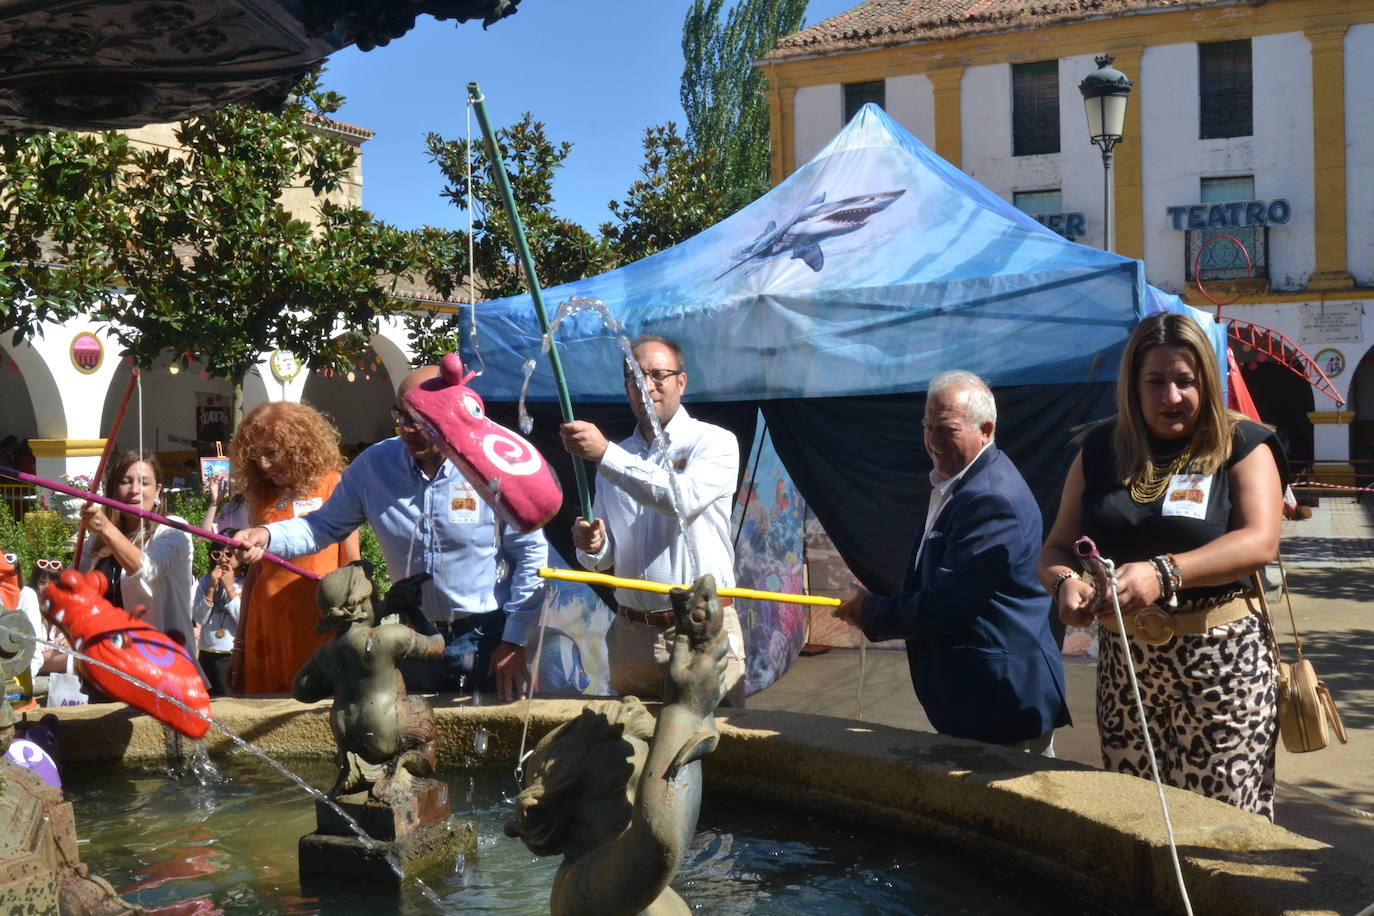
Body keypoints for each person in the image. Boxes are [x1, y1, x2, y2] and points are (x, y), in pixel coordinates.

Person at [1038, 312, 1285, 819]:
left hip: (1222, 665)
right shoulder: (1101, 450)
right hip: (1128, 669)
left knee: (1219, 826)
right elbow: (1056, 548)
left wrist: (1164, 572)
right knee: (1135, 818)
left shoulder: (1242, 445)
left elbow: (1261, 541)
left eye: (1185, 381)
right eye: (1155, 381)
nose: (1170, 396)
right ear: (1132, 385)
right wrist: (1064, 583)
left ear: (1206, 384)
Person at [235, 366, 546, 702]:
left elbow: (530, 555)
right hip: (409, 636)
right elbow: (322, 526)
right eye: (402, 415)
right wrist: (266, 536)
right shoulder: (373, 468)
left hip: (486, 636)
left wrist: (514, 641)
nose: (409, 428)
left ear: (453, 413)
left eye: (422, 418)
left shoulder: (493, 466)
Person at [835, 371, 1071, 753]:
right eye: (927, 426)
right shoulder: (964, 483)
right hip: (981, 699)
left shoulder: (991, 499)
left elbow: (948, 604)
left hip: (1001, 702)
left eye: (946, 429)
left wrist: (872, 612)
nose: (932, 440)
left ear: (986, 429)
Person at [560, 334, 745, 700]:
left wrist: (606, 455)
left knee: (714, 750)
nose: (646, 386)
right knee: (632, 752)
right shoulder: (615, 457)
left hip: (700, 634)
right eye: (634, 376)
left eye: (658, 375)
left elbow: (683, 498)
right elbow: (603, 557)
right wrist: (592, 544)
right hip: (633, 638)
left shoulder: (714, 442)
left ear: (681, 381)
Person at [227, 402, 359, 695]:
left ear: (299, 444)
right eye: (256, 456)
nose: (263, 464)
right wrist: (239, 646)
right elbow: (254, 575)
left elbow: (353, 568)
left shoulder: (334, 484)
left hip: (319, 628)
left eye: (271, 453)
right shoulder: (261, 495)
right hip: (266, 629)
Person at [79, 450, 197, 655]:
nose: (134, 490)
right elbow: (80, 588)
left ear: (158, 489)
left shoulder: (174, 529)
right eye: (125, 482)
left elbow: (147, 569)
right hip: (107, 658)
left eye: (144, 483)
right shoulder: (96, 541)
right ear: (114, 489)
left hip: (161, 661)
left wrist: (106, 528)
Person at [193, 543, 244, 696]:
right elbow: (199, 618)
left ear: (240, 557)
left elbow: (243, 620)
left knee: (227, 702)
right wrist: (211, 588)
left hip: (231, 654)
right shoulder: (207, 580)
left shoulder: (246, 582)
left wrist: (230, 589)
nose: (223, 560)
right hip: (206, 651)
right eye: (217, 554)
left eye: (229, 555)